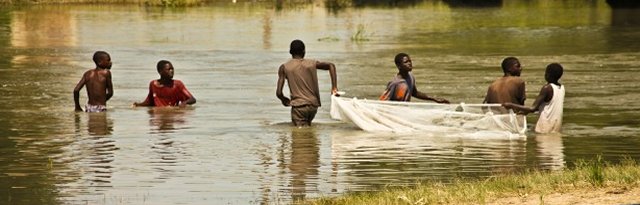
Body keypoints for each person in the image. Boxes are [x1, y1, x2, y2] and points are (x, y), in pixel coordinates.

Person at [276, 39, 339, 126]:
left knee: (299, 135)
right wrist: (334, 87)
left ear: (290, 52)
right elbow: (331, 66)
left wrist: (283, 99)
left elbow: (279, 93)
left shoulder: (284, 67)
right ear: (304, 51)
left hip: (299, 107)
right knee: (307, 129)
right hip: (313, 106)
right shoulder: (311, 63)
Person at [503, 63, 565, 134]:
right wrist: (525, 112)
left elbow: (533, 108)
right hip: (556, 128)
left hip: (543, 129)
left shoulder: (547, 88)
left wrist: (511, 105)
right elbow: (546, 106)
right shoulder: (561, 88)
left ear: (548, 74)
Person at [379, 53, 449, 103]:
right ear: (399, 66)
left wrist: (434, 98)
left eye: (410, 61)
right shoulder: (395, 83)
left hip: (405, 111)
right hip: (395, 112)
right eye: (406, 62)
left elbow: (414, 93)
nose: (409, 63)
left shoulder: (410, 76)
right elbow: (383, 101)